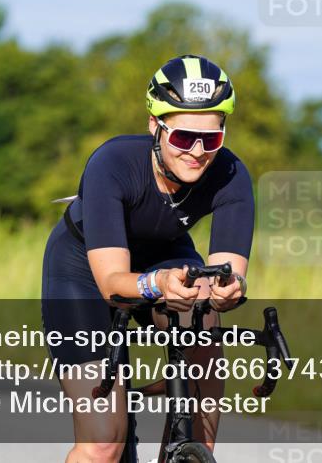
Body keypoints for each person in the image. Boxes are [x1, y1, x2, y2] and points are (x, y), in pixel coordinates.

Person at [41, 54, 253, 463]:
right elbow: (113, 282)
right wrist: (157, 285)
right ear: (155, 126)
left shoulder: (231, 174)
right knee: (104, 442)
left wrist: (229, 290)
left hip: (165, 255)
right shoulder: (113, 163)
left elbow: (231, 273)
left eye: (210, 139)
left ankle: (188, 453)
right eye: (182, 137)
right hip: (84, 267)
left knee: (204, 317)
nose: (196, 151)